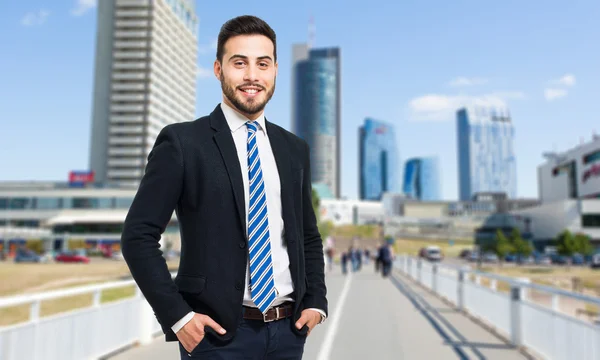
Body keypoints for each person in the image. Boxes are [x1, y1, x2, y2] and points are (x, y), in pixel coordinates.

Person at [121, 15, 328, 359]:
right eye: (239, 63)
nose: (252, 76)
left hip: (287, 332)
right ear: (218, 69)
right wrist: (178, 317)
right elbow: (138, 236)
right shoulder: (183, 143)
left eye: (262, 64)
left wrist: (316, 301)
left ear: (275, 70)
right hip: (216, 340)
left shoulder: (294, 149)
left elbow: (307, 235)